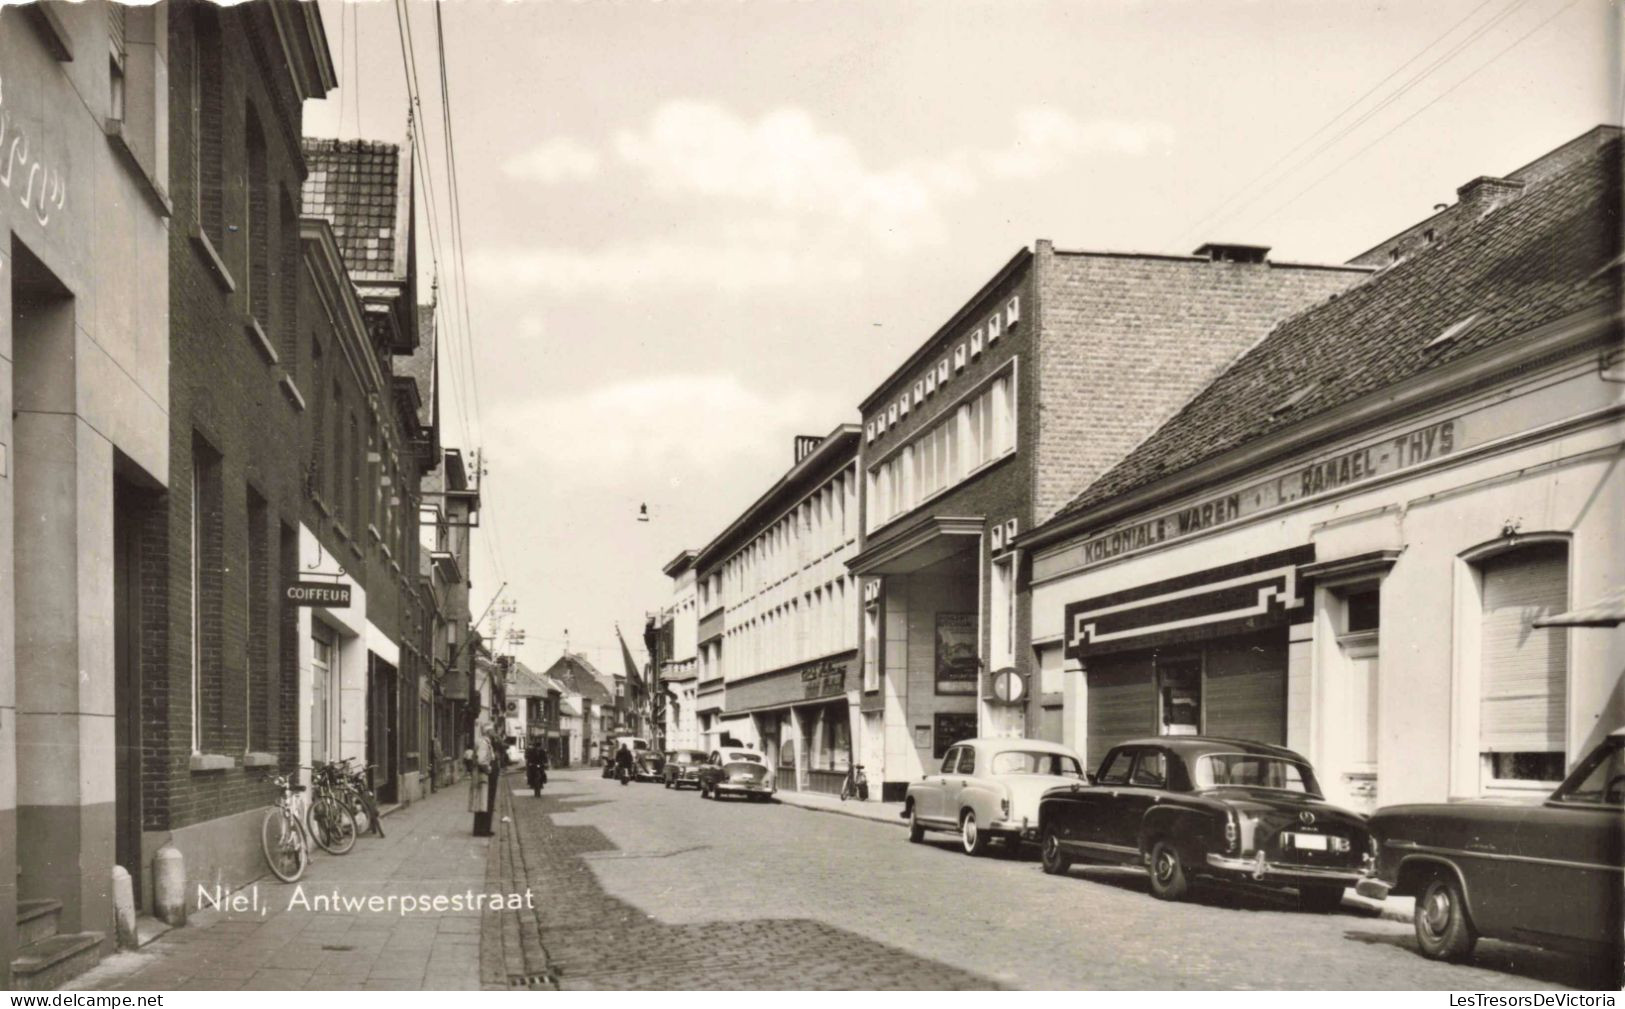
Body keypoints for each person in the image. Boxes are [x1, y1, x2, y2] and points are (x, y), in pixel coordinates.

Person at [469, 720, 499, 836]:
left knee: (483, 802)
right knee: (484, 802)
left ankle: (482, 828)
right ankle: (482, 829)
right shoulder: (484, 743)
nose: (494, 732)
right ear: (488, 731)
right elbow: (482, 760)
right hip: (484, 777)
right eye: (492, 730)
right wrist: (489, 770)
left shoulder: (485, 742)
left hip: (483, 776)